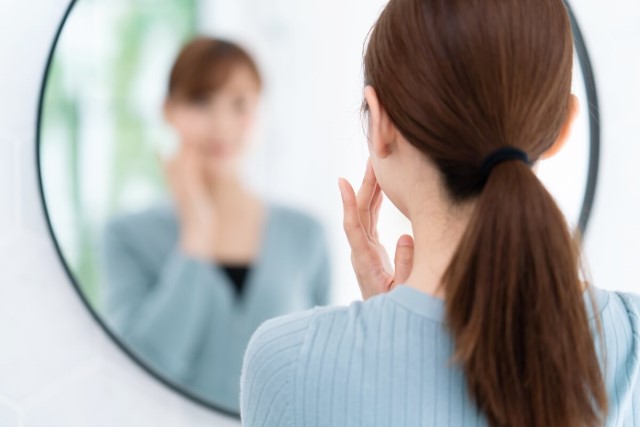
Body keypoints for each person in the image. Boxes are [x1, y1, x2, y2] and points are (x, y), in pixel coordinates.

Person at [240, 0, 640, 426]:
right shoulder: (630, 338)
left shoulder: (290, 364)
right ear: (562, 127)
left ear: (381, 123)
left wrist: (387, 333)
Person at [102, 37, 331, 413]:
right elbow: (143, 368)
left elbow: (319, 375)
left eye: (239, 104)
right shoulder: (127, 237)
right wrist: (196, 235)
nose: (221, 125)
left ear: (259, 111)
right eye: (201, 101)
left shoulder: (306, 235)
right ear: (169, 111)